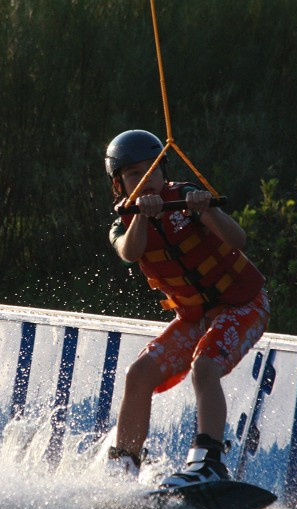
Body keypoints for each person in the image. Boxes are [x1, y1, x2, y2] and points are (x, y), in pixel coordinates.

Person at [103, 129, 270, 488]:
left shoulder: (186, 200)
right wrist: (144, 216)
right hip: (194, 318)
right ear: (119, 185)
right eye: (135, 174)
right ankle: (123, 470)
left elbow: (238, 241)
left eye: (153, 170)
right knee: (139, 373)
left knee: (205, 365)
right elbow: (131, 253)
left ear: (164, 172)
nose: (147, 180)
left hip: (244, 305)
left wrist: (206, 209)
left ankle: (208, 462)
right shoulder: (122, 226)